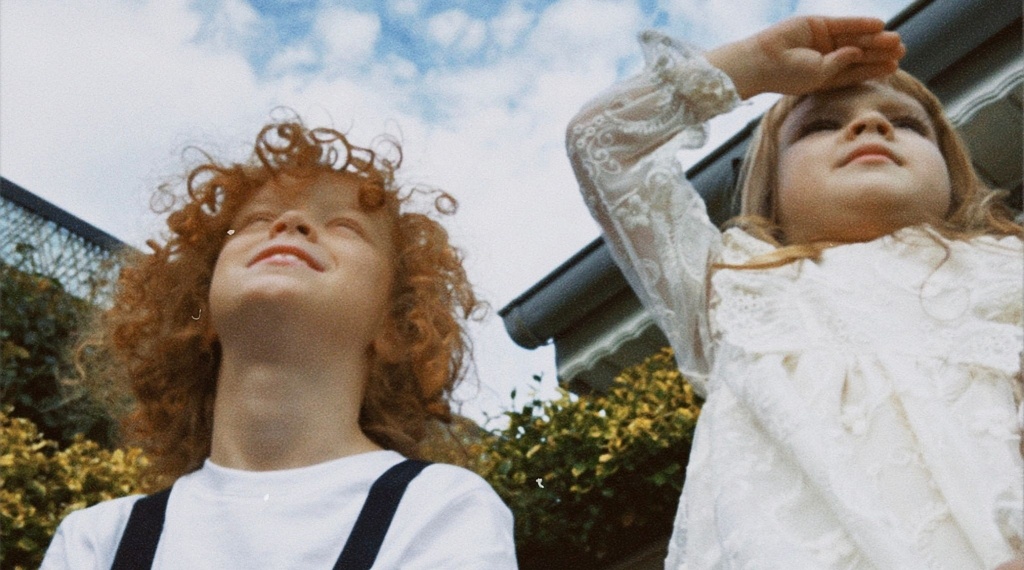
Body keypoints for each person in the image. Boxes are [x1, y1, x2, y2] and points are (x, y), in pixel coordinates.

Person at [566, 16, 1022, 569]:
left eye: (907, 123)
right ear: (772, 191)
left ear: (951, 172)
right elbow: (602, 142)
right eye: (820, 126)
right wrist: (752, 66)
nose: (872, 123)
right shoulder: (732, 286)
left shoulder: (1004, 268)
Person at [41, 117, 517, 568]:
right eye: (255, 220)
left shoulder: (439, 510)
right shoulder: (98, 540)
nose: (290, 221)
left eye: (345, 225)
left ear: (397, 326)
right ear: (200, 313)